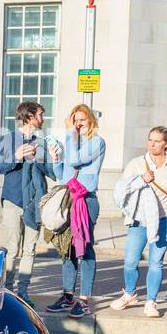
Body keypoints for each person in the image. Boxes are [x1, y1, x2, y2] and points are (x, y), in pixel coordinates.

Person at [111, 127, 167, 318]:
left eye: (157, 141)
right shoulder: (137, 164)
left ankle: (151, 301)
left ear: (166, 143)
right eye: (150, 140)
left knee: (156, 263)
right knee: (130, 261)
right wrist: (142, 179)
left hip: (164, 217)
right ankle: (129, 294)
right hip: (140, 217)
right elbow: (121, 190)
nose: (151, 144)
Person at [45, 104, 105, 319]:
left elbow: (76, 160)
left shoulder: (96, 141)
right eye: (75, 120)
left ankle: (84, 300)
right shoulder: (71, 142)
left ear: (91, 121)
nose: (78, 124)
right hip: (68, 199)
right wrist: (55, 159)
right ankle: (67, 295)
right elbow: (62, 174)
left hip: (86, 200)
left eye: (82, 119)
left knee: (85, 249)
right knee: (67, 249)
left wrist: (71, 136)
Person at [0, 101, 57, 295]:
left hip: (35, 202)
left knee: (30, 249)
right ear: (29, 116)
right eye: (40, 115)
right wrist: (15, 157)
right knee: (13, 249)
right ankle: (8, 291)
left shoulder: (42, 142)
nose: (43, 119)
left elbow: (53, 173)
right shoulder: (7, 139)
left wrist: (49, 158)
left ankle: (23, 291)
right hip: (12, 200)